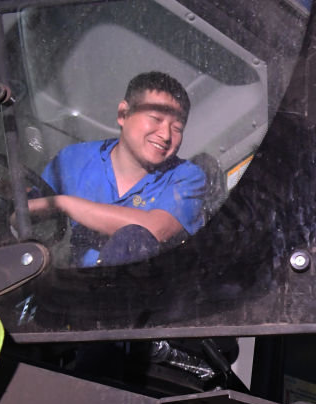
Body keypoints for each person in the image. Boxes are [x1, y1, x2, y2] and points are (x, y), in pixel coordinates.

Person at [30, 71, 207, 266]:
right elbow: (24, 217)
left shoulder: (188, 177)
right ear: (123, 114)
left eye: (177, 128)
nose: (165, 135)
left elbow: (154, 229)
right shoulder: (71, 160)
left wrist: (65, 203)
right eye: (156, 118)